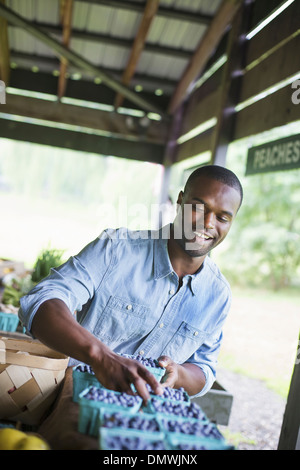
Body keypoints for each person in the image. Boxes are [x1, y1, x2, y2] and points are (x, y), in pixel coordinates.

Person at [19, 164, 243, 405]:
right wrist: (101, 357)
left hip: (141, 420)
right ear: (180, 200)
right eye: (198, 208)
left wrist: (180, 375)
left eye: (222, 217)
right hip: (70, 405)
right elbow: (41, 301)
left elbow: (204, 368)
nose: (208, 223)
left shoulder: (218, 295)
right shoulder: (116, 249)